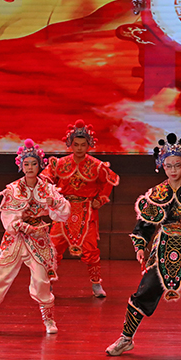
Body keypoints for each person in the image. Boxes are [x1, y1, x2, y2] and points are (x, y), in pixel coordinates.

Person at [106, 133, 181, 359]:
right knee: (145, 291)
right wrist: (140, 245)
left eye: (177, 165)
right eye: (168, 166)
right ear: (162, 166)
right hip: (162, 247)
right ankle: (126, 338)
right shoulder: (157, 193)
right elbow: (145, 224)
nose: (173, 170)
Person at [0, 139, 71, 334]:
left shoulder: (47, 188)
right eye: (27, 164)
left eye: (34, 164)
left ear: (39, 166)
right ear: (21, 166)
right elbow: (7, 217)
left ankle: (49, 319)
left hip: (38, 237)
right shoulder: (13, 189)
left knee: (42, 280)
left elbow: (64, 212)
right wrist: (23, 226)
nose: (30, 167)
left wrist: (54, 203)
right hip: (15, 238)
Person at [41, 120, 119, 298]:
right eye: (76, 144)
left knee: (91, 249)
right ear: (71, 144)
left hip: (86, 211)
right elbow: (45, 178)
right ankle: (47, 283)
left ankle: (96, 283)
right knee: (53, 248)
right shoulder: (60, 163)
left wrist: (101, 199)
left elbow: (109, 180)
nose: (79, 148)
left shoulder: (96, 165)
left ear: (88, 145)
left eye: (83, 145)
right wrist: (52, 196)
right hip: (63, 210)